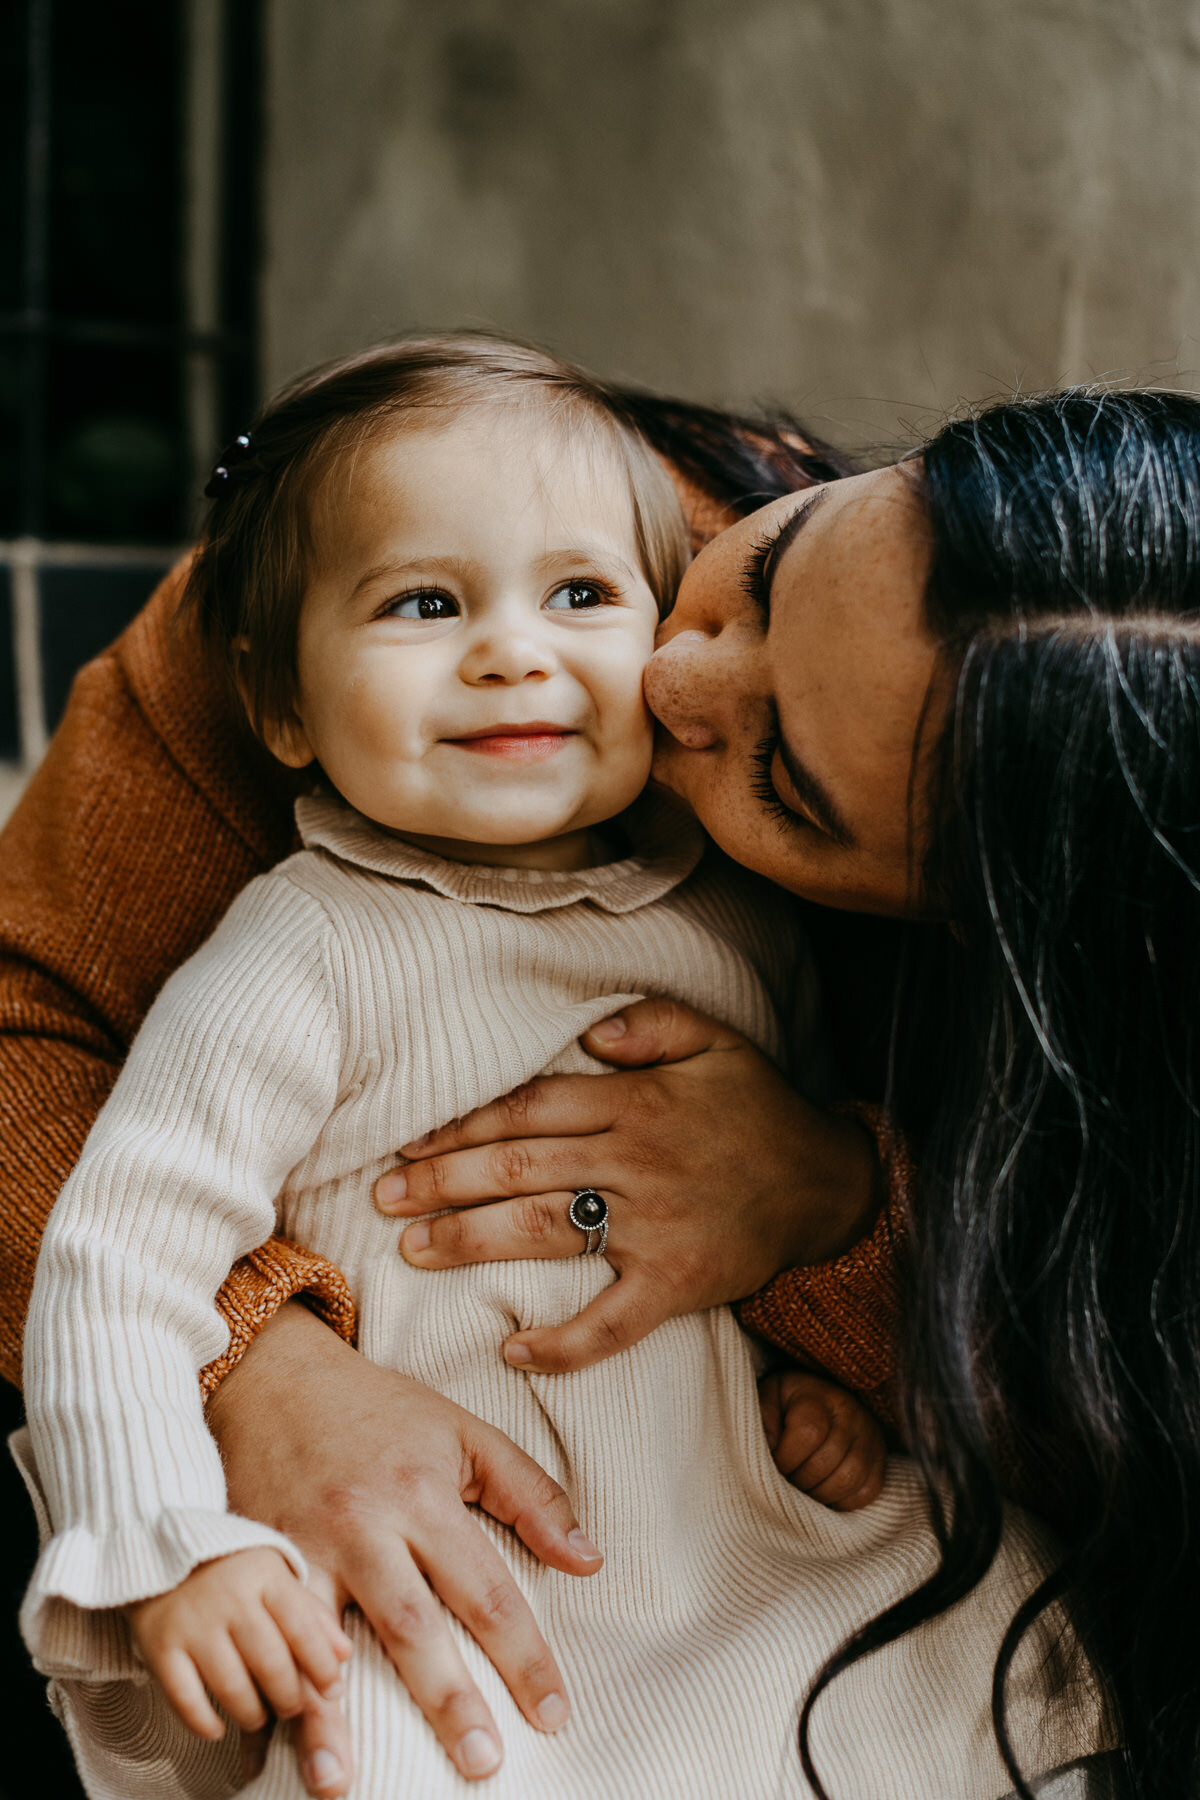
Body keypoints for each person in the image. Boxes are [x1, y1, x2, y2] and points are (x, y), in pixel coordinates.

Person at [17, 336, 1090, 1800]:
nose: (666, 671)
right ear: (278, 705)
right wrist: (178, 1514)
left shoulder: (736, 922)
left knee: (995, 1671)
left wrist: (831, 1323)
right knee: (413, 1749)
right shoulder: (304, 944)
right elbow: (115, 1246)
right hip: (461, 1551)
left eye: (584, 598)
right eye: (754, 583)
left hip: (727, 1524)